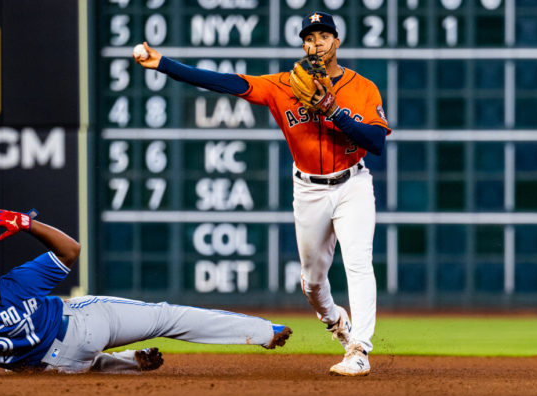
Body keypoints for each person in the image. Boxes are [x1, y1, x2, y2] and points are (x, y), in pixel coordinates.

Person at [133, 11, 390, 376]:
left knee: (359, 263)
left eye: (322, 36)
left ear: (336, 42)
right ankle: (336, 322)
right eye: (309, 38)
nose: (315, 43)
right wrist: (163, 64)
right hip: (309, 190)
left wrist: (333, 111)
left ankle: (360, 349)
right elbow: (225, 82)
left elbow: (376, 141)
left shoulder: (362, 87)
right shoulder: (283, 85)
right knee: (313, 281)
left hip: (353, 184)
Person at [0, 209, 292, 375]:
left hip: (58, 366)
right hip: (83, 321)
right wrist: (27, 224)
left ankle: (123, 367)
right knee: (167, 316)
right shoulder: (16, 282)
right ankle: (263, 330)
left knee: (33, 367)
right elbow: (71, 249)